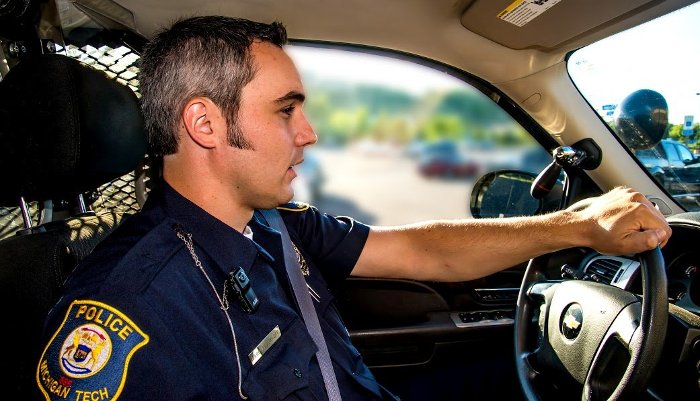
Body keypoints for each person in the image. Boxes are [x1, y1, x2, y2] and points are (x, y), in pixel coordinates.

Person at [35, 16, 671, 401]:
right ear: (205, 124)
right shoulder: (133, 307)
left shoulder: (275, 226)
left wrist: (578, 225)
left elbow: (421, 250)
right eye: (287, 110)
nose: (309, 133)